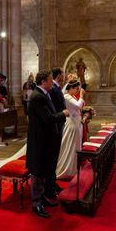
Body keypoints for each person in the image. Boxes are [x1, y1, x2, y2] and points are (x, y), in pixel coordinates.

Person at [26, 70, 69, 219]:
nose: (53, 82)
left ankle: (42, 197)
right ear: (43, 81)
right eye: (50, 80)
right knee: (38, 172)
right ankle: (36, 203)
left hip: (45, 140)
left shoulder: (44, 94)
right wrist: (63, 114)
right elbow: (48, 118)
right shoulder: (38, 97)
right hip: (39, 141)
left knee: (43, 169)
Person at [55, 79, 85, 179]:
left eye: (78, 89)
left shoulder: (71, 96)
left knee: (76, 146)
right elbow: (78, 105)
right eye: (76, 88)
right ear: (70, 88)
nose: (78, 90)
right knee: (71, 147)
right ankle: (67, 170)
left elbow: (78, 108)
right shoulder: (66, 96)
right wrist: (81, 95)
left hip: (76, 123)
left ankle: (74, 169)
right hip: (72, 124)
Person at [47, 67, 66, 196]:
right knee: (52, 158)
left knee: (55, 157)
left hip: (59, 123)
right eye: (62, 73)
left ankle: (52, 183)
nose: (64, 75)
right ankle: (50, 185)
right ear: (58, 75)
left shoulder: (56, 87)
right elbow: (54, 108)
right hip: (55, 125)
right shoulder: (53, 88)